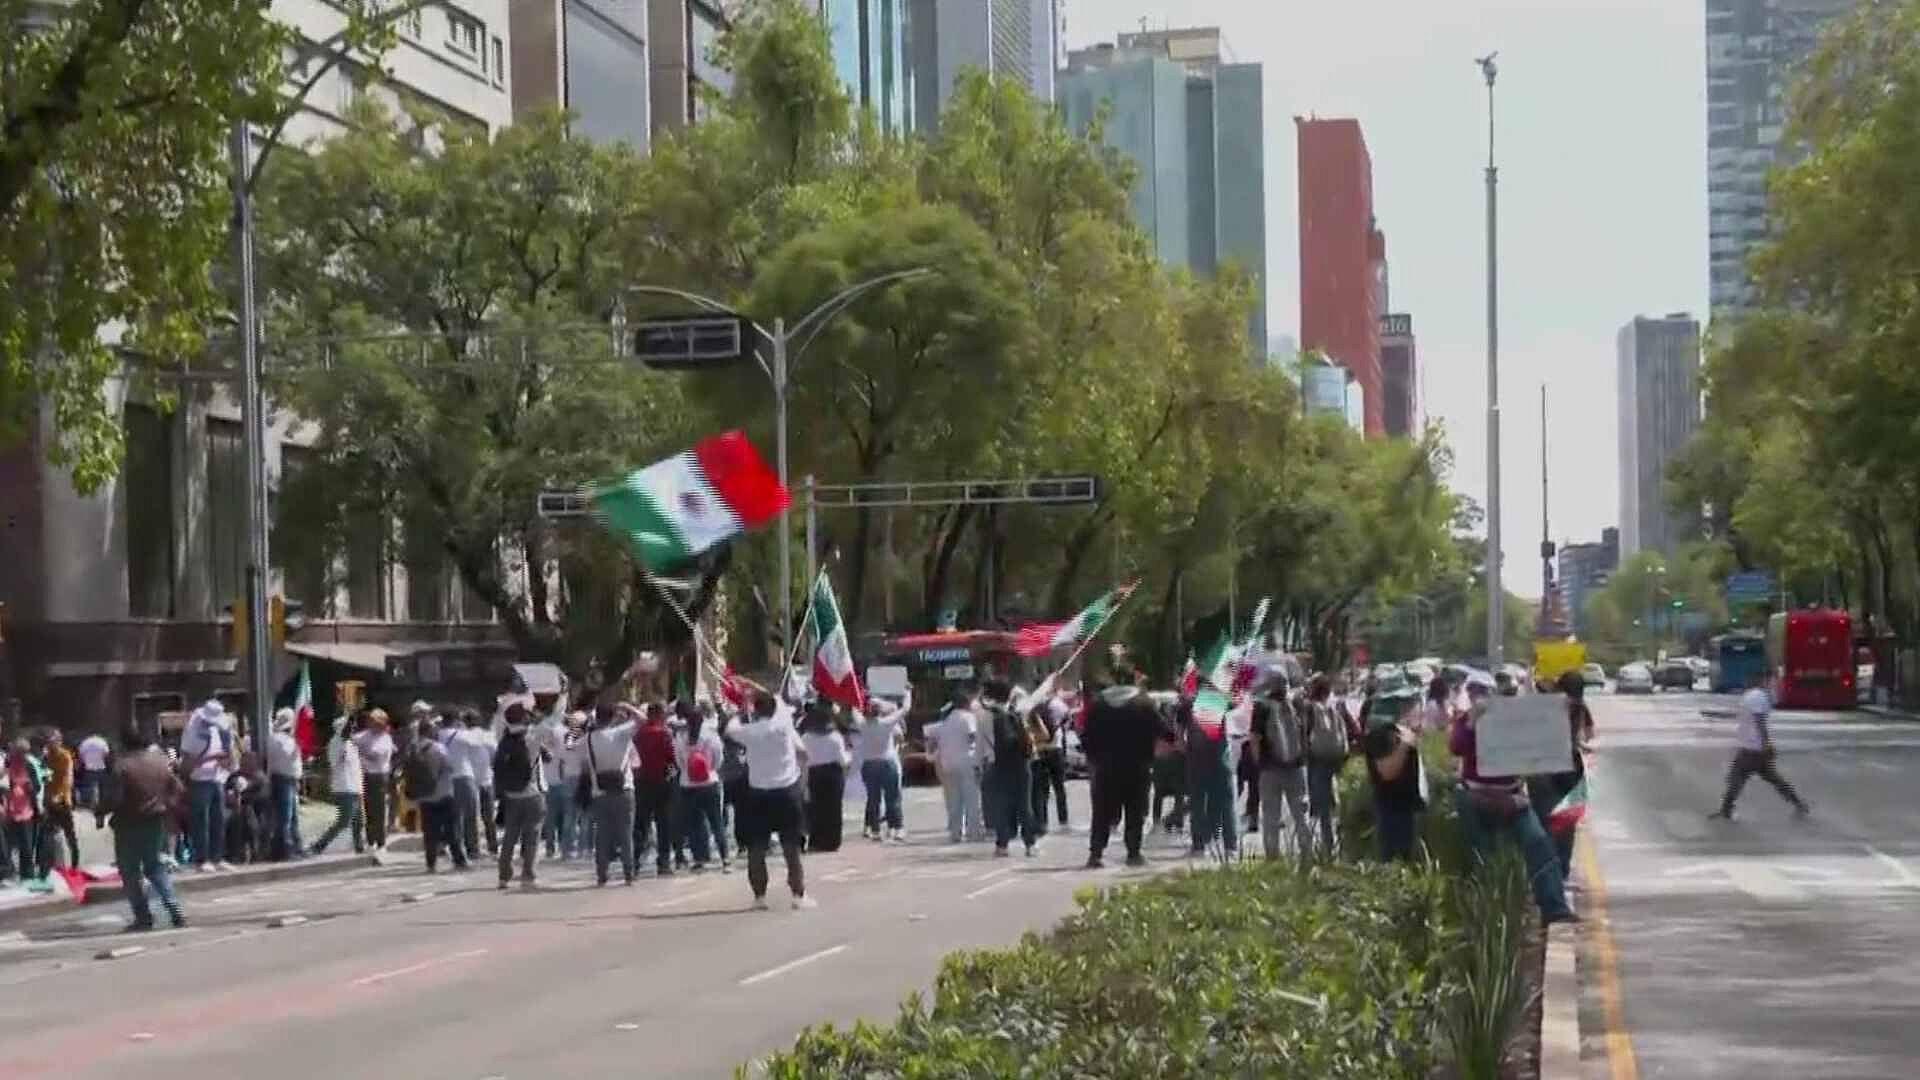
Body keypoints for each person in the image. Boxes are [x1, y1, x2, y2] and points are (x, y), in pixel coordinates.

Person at [1449, 682, 1577, 924]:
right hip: (1477, 798)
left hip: (1513, 798)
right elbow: (1456, 747)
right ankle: (1486, 917)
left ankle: (1554, 908)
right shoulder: (1468, 719)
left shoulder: (1520, 720)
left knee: (1539, 844)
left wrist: (1558, 716)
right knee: (1483, 855)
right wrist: (1471, 723)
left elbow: (1545, 745)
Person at [727, 692, 813, 911]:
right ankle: (798, 895)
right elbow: (802, 750)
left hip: (758, 794)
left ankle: (759, 896)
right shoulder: (784, 725)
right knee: (791, 847)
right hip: (786, 791)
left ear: (756, 711)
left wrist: (742, 710)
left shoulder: (750, 731)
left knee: (756, 847)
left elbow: (730, 728)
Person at [105, 725, 186, 931]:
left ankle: (143, 917)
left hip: (128, 823)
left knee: (130, 872)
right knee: (155, 866)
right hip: (155, 820)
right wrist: (166, 805)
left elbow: (115, 798)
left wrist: (100, 812)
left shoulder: (122, 766)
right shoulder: (159, 763)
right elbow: (178, 788)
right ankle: (175, 908)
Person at [1083, 668, 1161, 869]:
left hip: (1105, 767)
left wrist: (1094, 758)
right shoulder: (1144, 703)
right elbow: (1163, 730)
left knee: (1101, 812)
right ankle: (1133, 853)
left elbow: (1086, 737)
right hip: (1138, 766)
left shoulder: (1098, 704)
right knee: (1135, 810)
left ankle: (1096, 853)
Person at [1710, 671, 1810, 822]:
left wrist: (1766, 743)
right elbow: (1749, 717)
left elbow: (1758, 720)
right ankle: (1799, 804)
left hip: (1752, 748)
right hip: (1754, 747)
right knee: (1771, 779)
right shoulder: (1756, 696)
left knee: (1737, 777)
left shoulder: (1755, 696)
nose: (1773, 685)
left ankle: (1726, 809)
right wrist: (1766, 744)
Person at [1530, 672, 1595, 879]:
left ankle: (1549, 870)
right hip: (1573, 769)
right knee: (1567, 823)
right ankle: (1563, 868)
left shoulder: (1548, 707)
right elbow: (1590, 734)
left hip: (1546, 769)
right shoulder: (1581, 707)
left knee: (1547, 821)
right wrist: (1578, 742)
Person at [579, 703, 638, 886]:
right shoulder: (621, 733)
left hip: (600, 792)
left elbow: (584, 766)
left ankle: (602, 874)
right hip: (623, 790)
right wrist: (627, 706)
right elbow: (643, 719)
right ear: (613, 717)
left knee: (602, 836)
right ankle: (629, 873)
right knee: (625, 834)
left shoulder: (587, 739)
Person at [1252, 677, 1310, 860]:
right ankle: (1307, 854)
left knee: (1271, 817)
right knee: (1301, 815)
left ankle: (1273, 859)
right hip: (1296, 768)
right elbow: (1306, 734)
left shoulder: (1261, 707)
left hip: (1270, 769)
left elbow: (1254, 738)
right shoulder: (1297, 705)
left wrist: (1259, 763)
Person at [1363, 693, 1426, 862]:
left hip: (1406, 806)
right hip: (1391, 808)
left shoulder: (1399, 731)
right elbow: (1386, 772)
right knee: (1391, 858)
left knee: (1406, 856)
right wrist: (1405, 746)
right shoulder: (1379, 734)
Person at [981, 681, 1038, 857]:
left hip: (998, 765)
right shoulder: (1018, 712)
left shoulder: (986, 716)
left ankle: (1002, 845)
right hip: (1021, 764)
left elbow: (981, 745)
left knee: (1002, 806)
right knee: (1025, 805)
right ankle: (1030, 844)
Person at [492, 703, 546, 889]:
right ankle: (528, 875)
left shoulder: (503, 739)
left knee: (510, 836)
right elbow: (550, 723)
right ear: (524, 718)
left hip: (511, 795)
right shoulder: (531, 737)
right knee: (532, 836)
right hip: (531, 793)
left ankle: (504, 875)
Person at [179, 700, 236, 871]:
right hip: (200, 779)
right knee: (201, 820)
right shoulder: (192, 731)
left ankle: (217, 857)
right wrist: (211, 758)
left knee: (218, 819)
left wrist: (227, 760)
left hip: (218, 777)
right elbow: (186, 762)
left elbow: (229, 755)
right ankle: (202, 859)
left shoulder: (222, 730)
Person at [924, 690, 985, 843]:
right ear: (966, 704)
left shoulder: (945, 722)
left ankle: (955, 832)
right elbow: (973, 736)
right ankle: (974, 831)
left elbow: (932, 743)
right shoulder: (968, 718)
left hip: (948, 763)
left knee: (953, 800)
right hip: (967, 761)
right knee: (971, 798)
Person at [405, 718, 465, 873]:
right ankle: (459, 861)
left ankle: (431, 864)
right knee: (452, 829)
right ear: (430, 731)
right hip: (444, 793)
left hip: (424, 796)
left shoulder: (412, 748)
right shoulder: (439, 748)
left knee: (429, 832)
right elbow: (449, 767)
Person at [675, 701, 729, 872]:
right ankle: (725, 858)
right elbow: (719, 758)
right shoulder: (710, 735)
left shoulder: (681, 737)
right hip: (709, 783)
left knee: (694, 824)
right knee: (716, 822)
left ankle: (699, 858)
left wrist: (688, 771)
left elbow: (679, 761)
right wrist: (710, 769)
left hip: (688, 784)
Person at [1183, 696, 1238, 860]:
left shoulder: (1187, 704)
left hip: (1196, 760)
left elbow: (1179, 736)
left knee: (1198, 803)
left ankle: (1199, 846)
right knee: (1226, 803)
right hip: (1220, 759)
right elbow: (1238, 703)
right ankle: (1230, 847)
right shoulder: (1221, 701)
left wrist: (1187, 752)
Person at [1302, 675, 1348, 859]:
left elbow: (1304, 734)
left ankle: (1327, 847)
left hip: (1318, 760)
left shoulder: (1310, 708)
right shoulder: (1337, 706)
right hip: (1336, 758)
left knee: (1322, 808)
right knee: (1336, 804)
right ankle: (1341, 844)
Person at [853, 692, 908, 842]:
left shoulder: (862, 724)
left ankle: (875, 830)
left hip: (869, 764)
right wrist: (907, 693)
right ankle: (897, 828)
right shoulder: (887, 723)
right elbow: (905, 709)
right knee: (892, 797)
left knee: (873, 799)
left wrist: (856, 694)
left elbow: (854, 709)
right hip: (887, 762)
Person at [632, 702, 679, 876]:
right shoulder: (664, 733)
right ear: (659, 715)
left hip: (641, 782)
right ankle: (664, 863)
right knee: (663, 824)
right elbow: (672, 757)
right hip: (661, 782)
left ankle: (634, 861)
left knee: (640, 824)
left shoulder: (639, 734)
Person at [798, 703, 850, 853]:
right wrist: (850, 756)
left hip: (814, 774)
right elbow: (842, 760)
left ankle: (816, 841)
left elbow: (803, 760)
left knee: (816, 808)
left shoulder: (806, 737)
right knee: (833, 809)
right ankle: (832, 842)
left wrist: (803, 781)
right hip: (833, 774)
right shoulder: (835, 737)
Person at [310, 717, 364, 856]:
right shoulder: (336, 743)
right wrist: (342, 747)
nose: (351, 729)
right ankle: (320, 845)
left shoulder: (351, 745)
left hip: (355, 786)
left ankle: (359, 846)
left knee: (359, 820)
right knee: (344, 821)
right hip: (344, 787)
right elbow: (335, 761)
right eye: (348, 727)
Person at [352, 709, 396, 852]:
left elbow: (376, 755)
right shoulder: (363, 736)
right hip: (365, 775)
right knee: (368, 809)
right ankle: (371, 841)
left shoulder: (385, 738)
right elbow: (351, 744)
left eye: (377, 722)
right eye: (371, 721)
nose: (374, 724)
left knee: (380, 810)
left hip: (380, 776)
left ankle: (381, 842)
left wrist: (361, 754)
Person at [266, 708, 305, 861]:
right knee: (285, 817)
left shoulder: (289, 739)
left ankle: (296, 846)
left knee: (293, 816)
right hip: (282, 779)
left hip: (291, 780)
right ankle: (284, 850)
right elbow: (288, 756)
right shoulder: (278, 738)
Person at [541, 709, 581, 860]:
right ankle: (566, 848)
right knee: (568, 816)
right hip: (564, 778)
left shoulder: (548, 731)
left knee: (551, 817)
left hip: (550, 779)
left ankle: (550, 848)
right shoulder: (567, 733)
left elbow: (544, 752)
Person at [1029, 694, 1071, 836]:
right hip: (1056, 752)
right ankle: (1063, 819)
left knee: (1042, 790)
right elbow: (1067, 718)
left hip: (1041, 753)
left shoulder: (1035, 713)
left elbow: (1043, 735)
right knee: (1059, 787)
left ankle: (1042, 822)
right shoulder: (1057, 708)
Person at [445, 709, 483, 860]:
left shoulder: (437, 734)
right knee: (471, 814)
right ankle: (473, 849)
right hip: (464, 776)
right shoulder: (462, 735)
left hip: (446, 779)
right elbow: (478, 744)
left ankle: (456, 849)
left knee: (454, 817)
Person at [2, 740, 42, 880]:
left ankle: (28, 876)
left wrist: (31, 788)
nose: (20, 756)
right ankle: (10, 874)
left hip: (26, 811)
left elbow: (37, 786)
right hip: (9, 811)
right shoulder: (7, 765)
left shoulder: (29, 765)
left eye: (23, 753)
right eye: (18, 753)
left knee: (26, 847)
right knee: (7, 846)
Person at [462, 710, 499, 857]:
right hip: (487, 779)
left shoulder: (463, 737)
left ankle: (473, 849)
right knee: (489, 817)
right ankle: (493, 846)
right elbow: (495, 756)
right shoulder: (488, 736)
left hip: (470, 781)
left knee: (470, 817)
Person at [40, 730, 79, 868]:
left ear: (59, 741)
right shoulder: (46, 756)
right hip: (49, 799)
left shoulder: (65, 755)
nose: (50, 744)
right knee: (48, 834)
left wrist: (60, 796)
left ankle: (75, 864)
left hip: (62, 800)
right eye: (48, 742)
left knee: (70, 834)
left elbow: (68, 778)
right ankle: (52, 864)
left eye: (53, 741)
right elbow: (43, 776)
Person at [75, 730, 111, 822]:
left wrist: (83, 763)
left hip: (89, 768)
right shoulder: (102, 741)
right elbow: (106, 754)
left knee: (90, 787)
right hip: (101, 767)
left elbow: (80, 755)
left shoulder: (85, 742)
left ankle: (91, 805)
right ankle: (101, 805)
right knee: (102, 788)